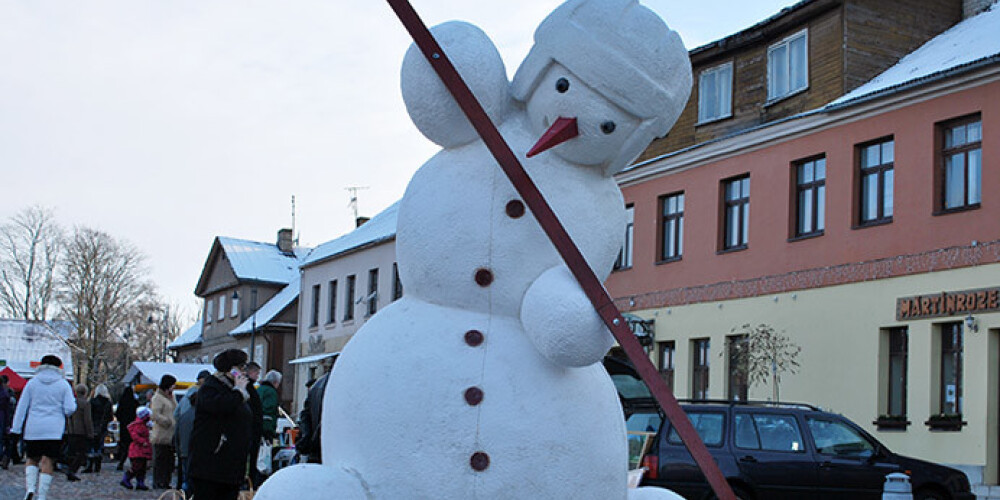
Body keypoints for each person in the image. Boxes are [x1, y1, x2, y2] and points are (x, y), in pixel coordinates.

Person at [188, 349, 253, 500]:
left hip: (231, 467)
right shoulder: (211, 387)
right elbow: (221, 406)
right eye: (242, 367)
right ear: (231, 369)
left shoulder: (239, 390)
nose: (244, 372)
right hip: (211, 465)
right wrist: (238, 393)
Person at [10, 354, 76, 500]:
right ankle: (42, 495)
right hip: (54, 429)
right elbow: (70, 408)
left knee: (32, 459)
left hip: (33, 428)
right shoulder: (63, 384)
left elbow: (22, 407)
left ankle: (30, 489)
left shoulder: (32, 383)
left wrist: (16, 429)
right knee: (48, 461)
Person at [173, 369, 209, 494]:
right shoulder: (201, 417)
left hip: (184, 450)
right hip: (195, 451)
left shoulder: (184, 410)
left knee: (185, 476)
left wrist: (178, 449)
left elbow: (176, 430)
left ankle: (182, 494)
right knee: (192, 480)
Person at [295, 369, 329, 464]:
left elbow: (305, 416)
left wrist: (307, 438)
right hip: (328, 449)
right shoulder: (335, 385)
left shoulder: (317, 386)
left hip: (315, 449)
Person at [150, 374, 177, 489]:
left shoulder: (171, 397)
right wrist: (167, 421)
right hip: (161, 434)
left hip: (171, 435)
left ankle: (166, 481)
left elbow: (175, 409)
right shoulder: (157, 398)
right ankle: (158, 481)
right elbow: (155, 414)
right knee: (160, 460)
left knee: (169, 461)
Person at [63, 384, 94, 481]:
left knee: (72, 452)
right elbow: (87, 419)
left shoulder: (72, 402)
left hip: (71, 431)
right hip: (81, 432)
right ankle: (72, 470)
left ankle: (70, 469)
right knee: (81, 453)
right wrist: (90, 433)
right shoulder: (85, 403)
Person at [83, 384, 113, 473]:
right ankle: (97, 466)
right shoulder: (108, 402)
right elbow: (110, 417)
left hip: (92, 426)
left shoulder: (92, 401)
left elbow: (88, 415)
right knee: (99, 446)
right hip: (102, 427)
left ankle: (90, 465)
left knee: (91, 446)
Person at [121, 406, 152, 491]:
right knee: (136, 467)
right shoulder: (137, 425)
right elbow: (135, 436)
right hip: (137, 450)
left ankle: (140, 482)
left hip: (143, 450)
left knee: (142, 468)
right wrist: (143, 441)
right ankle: (126, 478)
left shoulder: (144, 424)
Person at [245, 362, 265, 487]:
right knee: (250, 461)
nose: (258, 376)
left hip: (252, 431)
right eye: (256, 373)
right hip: (251, 432)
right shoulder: (248, 388)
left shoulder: (251, 388)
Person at [114, 385, 137, 470]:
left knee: (124, 446)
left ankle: (121, 462)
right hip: (132, 427)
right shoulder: (134, 402)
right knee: (131, 445)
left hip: (123, 427)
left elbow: (117, 414)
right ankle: (133, 463)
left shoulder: (122, 402)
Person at [0, 375, 13, 470]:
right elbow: (8, 410)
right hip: (3, 419)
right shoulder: (6, 394)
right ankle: (4, 458)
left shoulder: (6, 393)